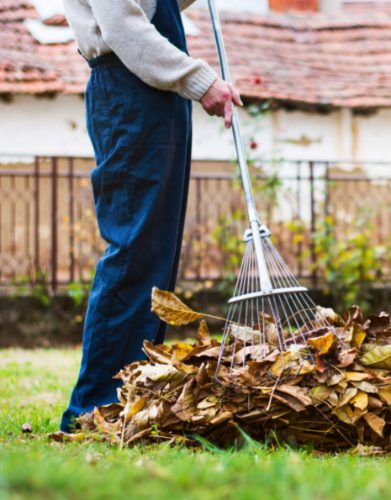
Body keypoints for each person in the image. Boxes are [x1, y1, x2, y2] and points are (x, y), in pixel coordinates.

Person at [59, 0, 242, 432]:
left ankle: (133, 397)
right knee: (134, 250)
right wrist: (201, 81)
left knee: (156, 255)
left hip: (155, 95)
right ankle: (94, 407)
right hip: (129, 90)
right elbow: (125, 28)